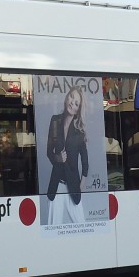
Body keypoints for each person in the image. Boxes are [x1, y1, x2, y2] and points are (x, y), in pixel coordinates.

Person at [45, 87, 89, 224]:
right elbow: (48, 151)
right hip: (56, 184)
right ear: (66, 98)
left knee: (81, 227)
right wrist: (57, 158)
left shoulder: (79, 131)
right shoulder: (55, 121)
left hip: (73, 186)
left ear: (78, 110)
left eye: (76, 103)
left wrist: (81, 184)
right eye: (71, 97)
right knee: (53, 228)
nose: (72, 103)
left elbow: (85, 161)